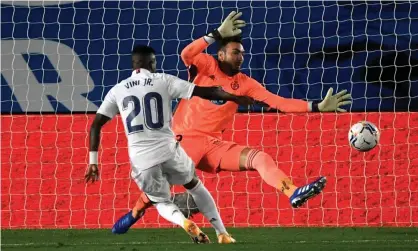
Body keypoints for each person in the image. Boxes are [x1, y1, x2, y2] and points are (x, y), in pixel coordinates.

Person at [114, 11, 352, 234]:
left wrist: (316, 106)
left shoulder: (246, 83)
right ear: (221, 54)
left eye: (243, 53)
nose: (241, 57)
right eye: (236, 52)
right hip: (184, 139)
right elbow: (186, 54)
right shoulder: (206, 66)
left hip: (213, 145)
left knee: (260, 158)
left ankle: (292, 193)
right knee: (160, 187)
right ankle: (135, 213)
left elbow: (278, 101)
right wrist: (216, 34)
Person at [85, 45, 253, 243]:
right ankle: (222, 233)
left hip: (142, 159)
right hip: (170, 151)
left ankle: (184, 222)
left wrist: (93, 161)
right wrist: (235, 98)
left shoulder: (117, 90)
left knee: (161, 201)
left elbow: (96, 126)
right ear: (151, 63)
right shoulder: (164, 80)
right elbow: (206, 92)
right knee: (195, 186)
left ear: (134, 64)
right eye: (155, 62)